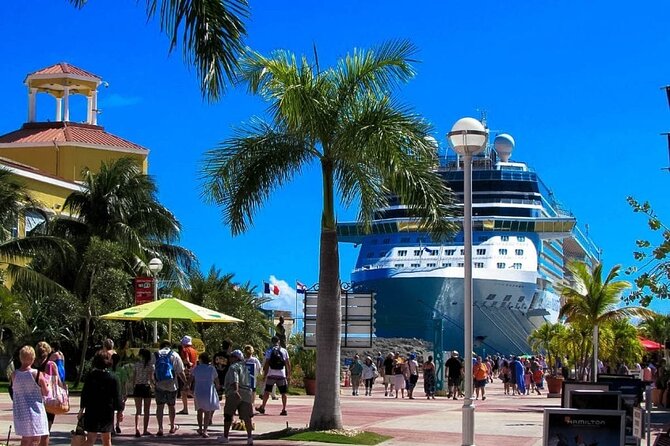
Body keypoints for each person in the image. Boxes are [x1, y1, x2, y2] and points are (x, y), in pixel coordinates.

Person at [79, 350, 125, 446]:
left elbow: (85, 394)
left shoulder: (90, 376)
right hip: (107, 412)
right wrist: (120, 411)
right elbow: (117, 397)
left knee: (91, 438)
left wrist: (81, 409)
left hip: (92, 410)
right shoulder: (113, 378)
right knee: (107, 439)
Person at [12, 345, 49, 446]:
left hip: (21, 412)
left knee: (25, 439)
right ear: (33, 358)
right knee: (37, 438)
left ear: (20, 358)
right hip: (35, 411)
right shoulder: (37, 374)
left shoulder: (14, 374)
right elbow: (46, 392)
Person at [220, 350, 254, 445]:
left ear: (235, 358)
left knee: (228, 415)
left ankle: (225, 436)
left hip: (235, 392)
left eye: (231, 356)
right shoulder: (245, 367)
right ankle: (249, 437)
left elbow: (235, 379)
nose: (229, 358)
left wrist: (236, 390)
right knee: (247, 417)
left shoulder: (233, 367)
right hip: (247, 393)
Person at [153, 340, 185, 436]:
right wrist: (186, 383)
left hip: (159, 384)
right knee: (172, 406)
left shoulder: (155, 354)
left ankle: (160, 428)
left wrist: (152, 382)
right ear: (169, 346)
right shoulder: (174, 354)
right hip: (172, 385)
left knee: (160, 406)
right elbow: (180, 371)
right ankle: (172, 426)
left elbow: (152, 369)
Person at [256, 336, 291, 415]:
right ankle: (284, 409)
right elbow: (288, 363)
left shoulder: (269, 351)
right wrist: (288, 374)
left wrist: (265, 375)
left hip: (271, 374)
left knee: (267, 392)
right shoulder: (284, 351)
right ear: (278, 342)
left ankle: (263, 407)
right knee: (283, 393)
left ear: (272, 342)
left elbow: (267, 363)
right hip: (281, 375)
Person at [34, 341, 59, 442]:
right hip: (48, 398)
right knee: (46, 430)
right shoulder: (51, 364)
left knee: (35, 430)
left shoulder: (32, 364)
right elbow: (57, 381)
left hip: (35, 398)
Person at [191, 352, 220, 438]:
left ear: (200, 360)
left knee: (199, 411)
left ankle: (200, 428)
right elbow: (217, 380)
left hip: (198, 390)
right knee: (207, 411)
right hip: (209, 391)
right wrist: (218, 386)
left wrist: (187, 385)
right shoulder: (211, 368)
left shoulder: (196, 368)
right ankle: (205, 430)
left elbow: (191, 379)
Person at [131, 349, 154, 437]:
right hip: (146, 387)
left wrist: (134, 386)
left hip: (138, 387)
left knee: (138, 410)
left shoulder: (136, 364)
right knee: (147, 410)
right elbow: (151, 378)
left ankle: (137, 428)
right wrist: (154, 386)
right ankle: (145, 429)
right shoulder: (150, 365)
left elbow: (134, 376)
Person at [178, 335, 198, 415]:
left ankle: (185, 409)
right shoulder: (194, 351)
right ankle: (185, 408)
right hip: (194, 371)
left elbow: (187, 360)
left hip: (187, 371)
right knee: (186, 390)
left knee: (184, 390)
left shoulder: (185, 350)